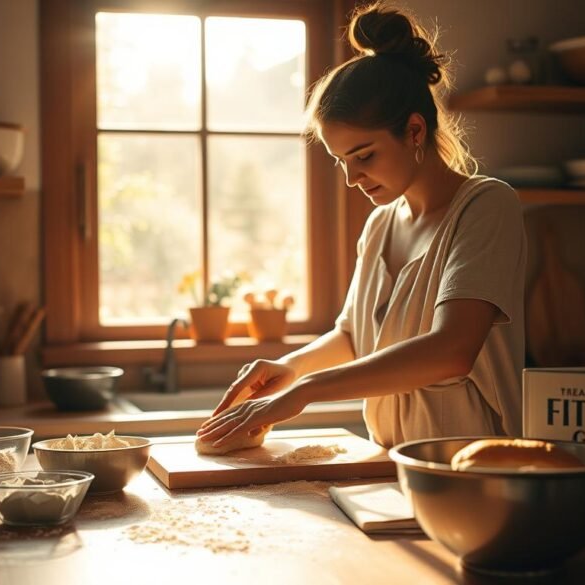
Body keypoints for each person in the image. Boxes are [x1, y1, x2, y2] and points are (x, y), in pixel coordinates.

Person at [197, 3, 527, 450]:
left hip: (475, 473)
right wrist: (292, 367)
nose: (353, 178)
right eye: (341, 161)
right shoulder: (379, 225)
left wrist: (307, 392)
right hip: (389, 462)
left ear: (414, 131)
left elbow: (452, 350)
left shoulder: (486, 206)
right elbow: (354, 337)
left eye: (364, 155)